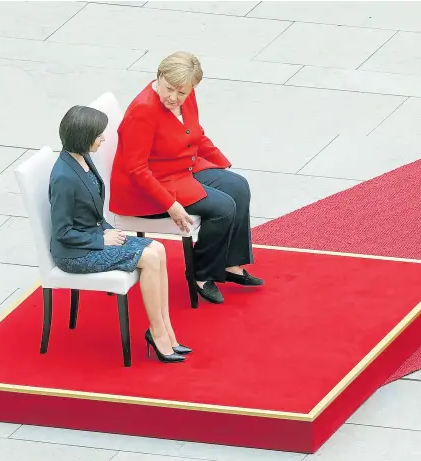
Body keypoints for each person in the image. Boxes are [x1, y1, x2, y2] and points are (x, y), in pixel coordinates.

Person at [109, 51, 263, 305]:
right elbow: (136, 170)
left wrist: (220, 164)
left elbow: (196, 133)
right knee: (223, 208)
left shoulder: (186, 96)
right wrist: (170, 204)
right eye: (169, 89)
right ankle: (200, 273)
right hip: (150, 187)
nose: (173, 98)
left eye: (181, 93)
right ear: (159, 76)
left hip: (180, 168)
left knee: (238, 186)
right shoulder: (143, 111)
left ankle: (230, 264)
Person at [48, 105, 190, 363]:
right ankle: (157, 333)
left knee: (158, 249)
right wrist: (101, 239)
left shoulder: (84, 158)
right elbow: (62, 232)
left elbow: (90, 213)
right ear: (82, 137)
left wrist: (107, 231)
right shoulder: (64, 178)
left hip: (95, 237)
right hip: (75, 253)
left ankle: (165, 327)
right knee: (148, 258)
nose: (103, 139)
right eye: (99, 135)